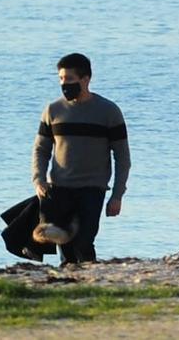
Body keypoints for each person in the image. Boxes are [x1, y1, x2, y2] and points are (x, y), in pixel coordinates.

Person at [31, 52, 131, 267]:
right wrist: (38, 179)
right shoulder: (53, 110)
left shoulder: (109, 112)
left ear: (85, 79)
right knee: (64, 245)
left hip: (92, 189)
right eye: (60, 79)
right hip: (59, 188)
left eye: (69, 79)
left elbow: (122, 157)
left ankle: (90, 280)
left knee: (84, 241)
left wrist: (117, 195)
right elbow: (41, 149)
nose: (64, 84)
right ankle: (69, 287)